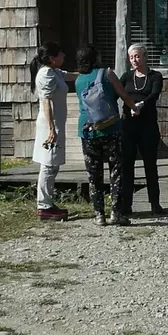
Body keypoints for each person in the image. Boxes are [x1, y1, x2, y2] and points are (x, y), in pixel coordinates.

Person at [75, 46, 136, 225]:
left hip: (87, 130)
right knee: (116, 170)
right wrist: (134, 108)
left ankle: (98, 215)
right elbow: (123, 94)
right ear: (96, 57)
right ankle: (116, 213)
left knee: (94, 174)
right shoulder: (107, 73)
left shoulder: (79, 80)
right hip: (110, 128)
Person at [118, 42, 164, 218]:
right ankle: (126, 205)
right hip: (128, 126)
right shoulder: (126, 77)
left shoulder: (155, 76)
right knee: (127, 165)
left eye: (137, 56)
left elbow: (154, 94)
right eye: (131, 57)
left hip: (148, 126)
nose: (134, 60)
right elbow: (118, 92)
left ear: (144, 57)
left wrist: (140, 104)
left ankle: (155, 204)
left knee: (150, 165)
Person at [29, 42, 70, 220]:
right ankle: (44, 205)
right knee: (48, 165)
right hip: (49, 125)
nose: (64, 57)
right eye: (61, 54)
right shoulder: (46, 74)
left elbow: (71, 76)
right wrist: (52, 128)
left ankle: (47, 202)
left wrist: (93, 72)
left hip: (56, 124)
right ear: (52, 58)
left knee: (53, 166)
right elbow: (46, 101)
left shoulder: (55, 72)